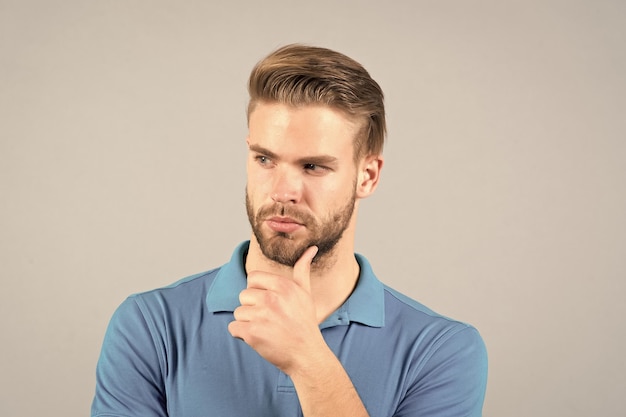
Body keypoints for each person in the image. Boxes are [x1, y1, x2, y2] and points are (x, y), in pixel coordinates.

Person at [91, 44, 488, 417]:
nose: (282, 191)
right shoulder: (150, 326)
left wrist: (309, 361)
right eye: (265, 158)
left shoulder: (441, 351)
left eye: (313, 166)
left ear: (366, 176)